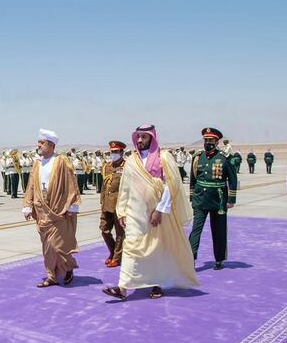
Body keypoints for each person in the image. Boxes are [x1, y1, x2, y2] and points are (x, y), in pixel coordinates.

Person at [102, 125, 199, 300]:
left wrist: (160, 210)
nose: (140, 141)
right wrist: (122, 211)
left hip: (157, 214)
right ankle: (122, 287)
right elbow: (125, 187)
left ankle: (156, 284)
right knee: (131, 247)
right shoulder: (132, 160)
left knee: (156, 248)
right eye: (138, 137)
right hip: (135, 213)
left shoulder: (164, 158)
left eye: (144, 137)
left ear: (152, 138)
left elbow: (171, 186)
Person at [22, 129, 81, 288]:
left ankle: (68, 267)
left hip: (58, 209)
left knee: (58, 245)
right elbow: (31, 186)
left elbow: (71, 183)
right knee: (47, 246)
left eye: (41, 143)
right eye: (39, 143)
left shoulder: (61, 161)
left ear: (51, 145)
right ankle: (51, 276)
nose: (39, 146)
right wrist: (27, 205)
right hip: (42, 211)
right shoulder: (37, 163)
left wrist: (73, 205)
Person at [188, 128, 238, 270]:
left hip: (219, 200)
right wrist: (192, 197)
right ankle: (190, 258)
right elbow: (193, 179)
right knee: (196, 230)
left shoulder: (224, 158)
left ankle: (219, 259)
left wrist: (231, 200)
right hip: (200, 199)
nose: (208, 143)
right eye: (206, 140)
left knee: (219, 230)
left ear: (216, 142)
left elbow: (232, 179)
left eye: (211, 141)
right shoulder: (197, 157)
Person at [99, 141, 126, 268]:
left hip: (119, 204)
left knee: (120, 232)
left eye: (116, 152)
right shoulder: (107, 167)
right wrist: (102, 202)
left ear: (121, 153)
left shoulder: (126, 167)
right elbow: (104, 186)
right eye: (112, 152)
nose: (113, 154)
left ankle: (116, 257)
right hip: (107, 203)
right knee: (104, 230)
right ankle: (113, 251)